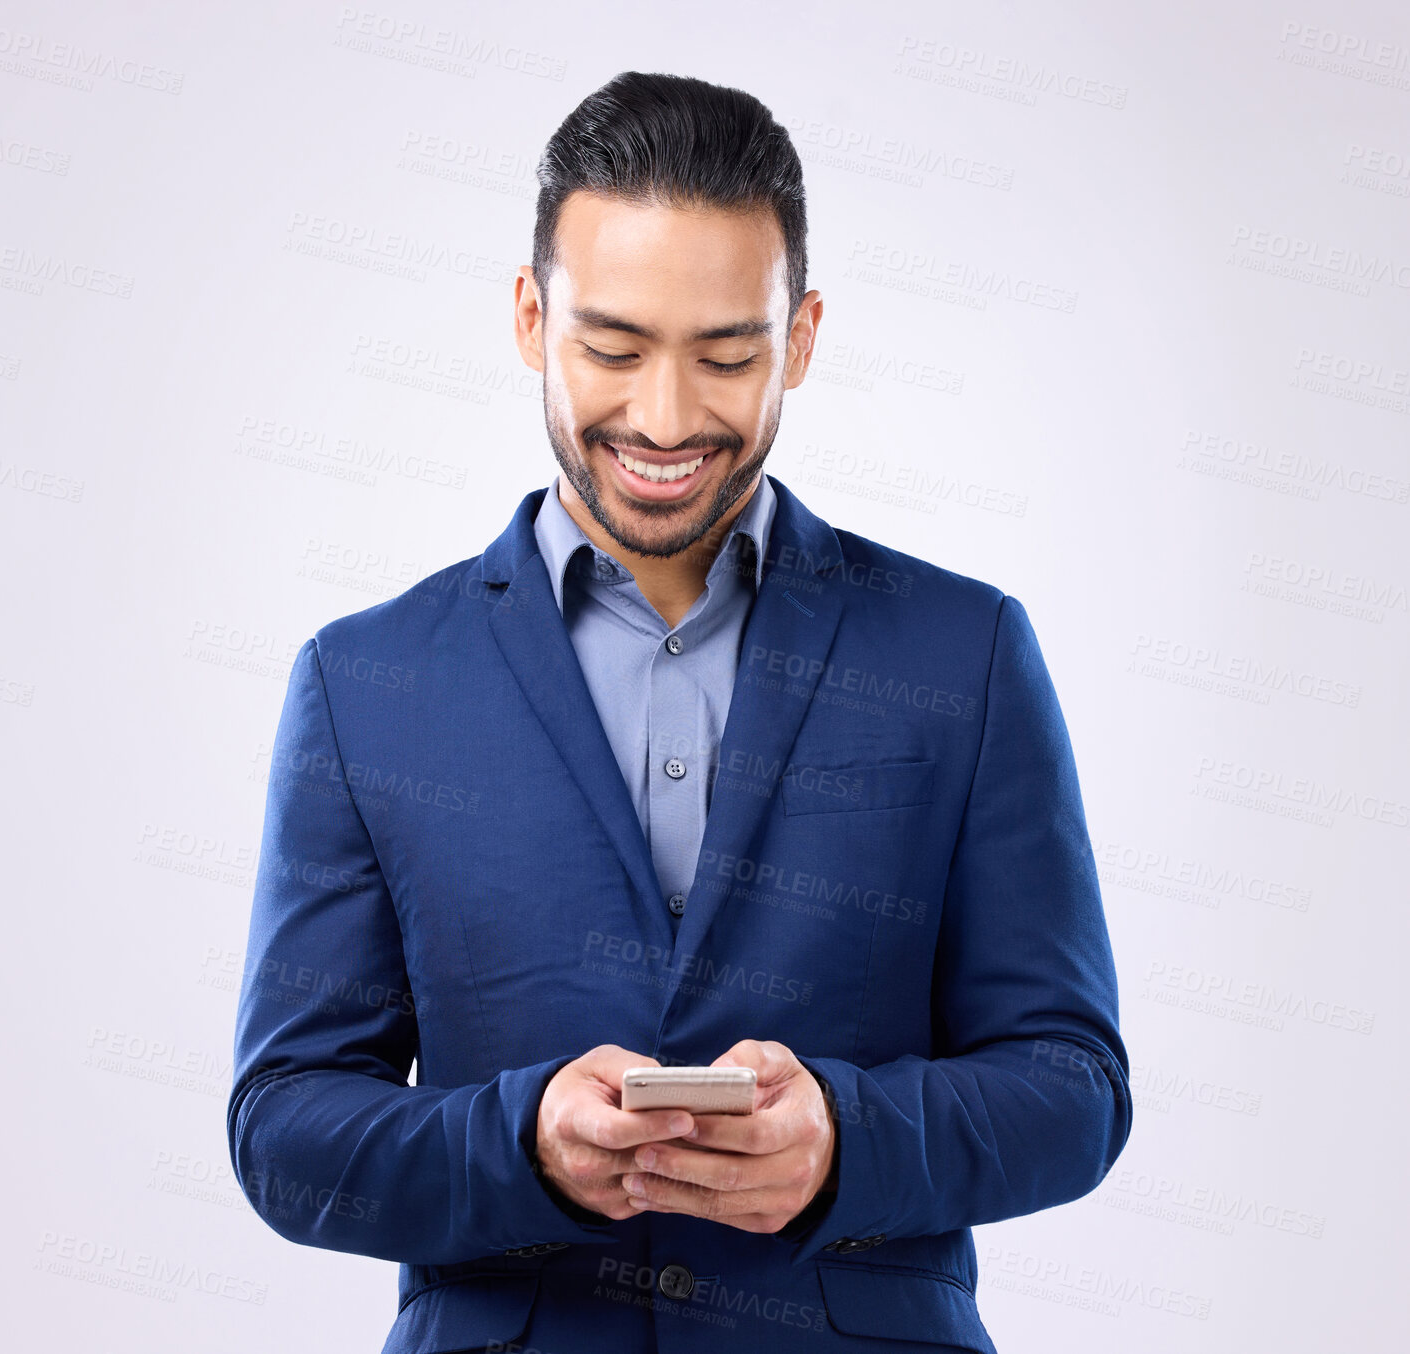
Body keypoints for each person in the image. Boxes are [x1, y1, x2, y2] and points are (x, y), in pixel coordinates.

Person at [228, 70, 1131, 1354]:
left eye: (724, 355)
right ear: (532, 317)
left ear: (802, 338)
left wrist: (844, 1143)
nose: (662, 418)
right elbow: (283, 1127)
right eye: (611, 348)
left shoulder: (964, 651)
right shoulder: (364, 679)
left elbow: (1073, 1088)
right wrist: (522, 1146)